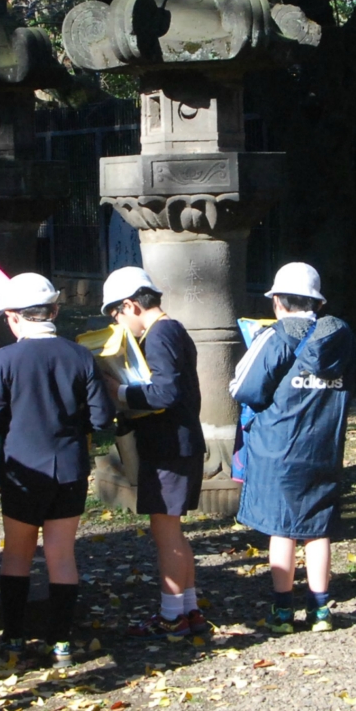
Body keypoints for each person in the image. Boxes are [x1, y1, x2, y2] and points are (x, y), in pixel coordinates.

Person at [0, 272, 112, 671]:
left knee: (16, 555)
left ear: (12, 317)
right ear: (55, 310)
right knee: (62, 555)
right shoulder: (80, 355)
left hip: (21, 469)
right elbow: (102, 418)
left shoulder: (3, 359)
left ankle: (14, 638)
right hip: (69, 468)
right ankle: (61, 643)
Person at [232, 263, 356, 634]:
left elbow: (244, 388)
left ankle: (283, 611)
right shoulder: (342, 335)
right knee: (318, 528)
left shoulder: (274, 336)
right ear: (317, 302)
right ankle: (321, 611)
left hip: (278, 447)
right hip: (324, 443)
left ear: (276, 301)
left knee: (282, 528)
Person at [99, 265, 210, 642]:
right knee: (174, 532)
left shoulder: (159, 334)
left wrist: (120, 393)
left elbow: (164, 393)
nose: (117, 322)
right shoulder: (174, 330)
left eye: (116, 314)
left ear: (130, 305)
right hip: (180, 444)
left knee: (166, 535)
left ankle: (170, 617)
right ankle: (188, 610)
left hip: (168, 447)